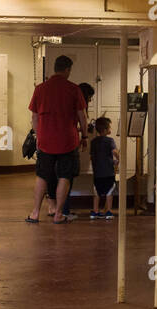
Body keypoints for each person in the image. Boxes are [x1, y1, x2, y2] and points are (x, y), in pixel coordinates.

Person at [26, 55, 86, 224]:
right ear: (67, 70)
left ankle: (35, 213)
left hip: (45, 141)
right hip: (68, 141)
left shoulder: (40, 89)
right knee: (64, 177)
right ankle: (58, 214)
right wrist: (85, 136)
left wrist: (39, 136)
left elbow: (35, 117)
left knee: (42, 176)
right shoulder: (74, 89)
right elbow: (82, 116)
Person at [44, 82, 95, 219]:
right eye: (89, 97)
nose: (90, 100)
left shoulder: (63, 102)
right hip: (69, 145)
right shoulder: (78, 103)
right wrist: (84, 134)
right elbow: (80, 120)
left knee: (56, 176)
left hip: (53, 144)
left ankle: (55, 208)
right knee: (67, 177)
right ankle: (63, 211)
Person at [89, 115, 120, 220]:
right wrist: (119, 159)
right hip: (109, 172)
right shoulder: (110, 141)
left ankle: (95, 211)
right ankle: (108, 211)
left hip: (97, 173)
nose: (110, 129)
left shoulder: (93, 142)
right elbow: (114, 152)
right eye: (110, 127)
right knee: (109, 192)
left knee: (96, 192)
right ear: (106, 130)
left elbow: (91, 157)